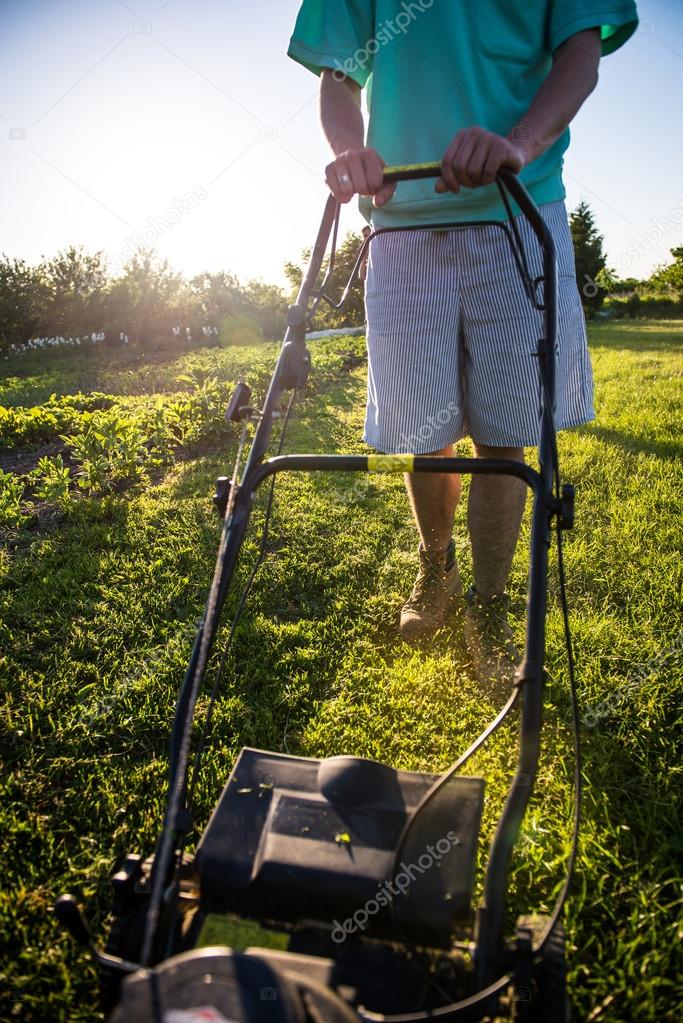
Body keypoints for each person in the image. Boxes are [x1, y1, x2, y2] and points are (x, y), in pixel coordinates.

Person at [288, 2, 638, 685]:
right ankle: (435, 565)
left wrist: (520, 141)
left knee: (505, 435)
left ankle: (492, 599)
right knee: (426, 427)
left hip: (516, 203)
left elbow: (580, 49)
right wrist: (346, 151)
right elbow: (337, 70)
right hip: (398, 223)